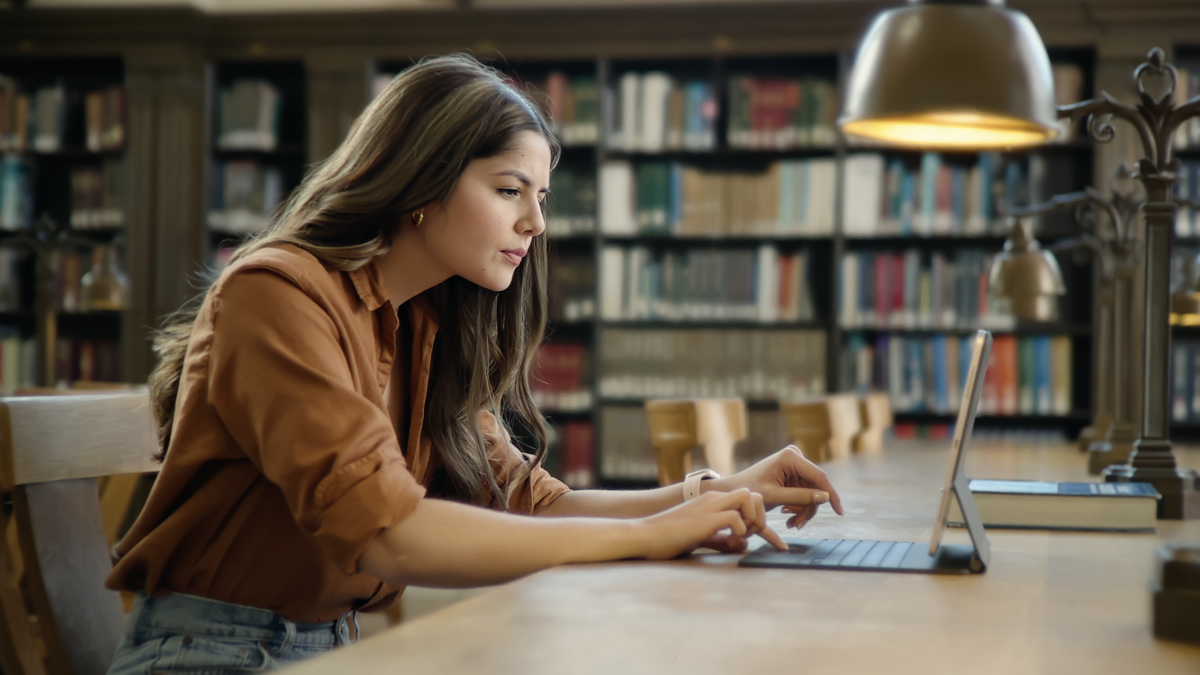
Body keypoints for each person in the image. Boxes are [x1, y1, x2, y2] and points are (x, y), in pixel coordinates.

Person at [105, 53, 843, 674]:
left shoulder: (426, 319)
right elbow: (385, 533)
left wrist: (705, 494)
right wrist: (650, 536)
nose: (537, 222)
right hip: (209, 654)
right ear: (421, 184)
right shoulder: (276, 292)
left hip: (331, 647)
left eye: (541, 195)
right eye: (508, 190)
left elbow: (531, 501)